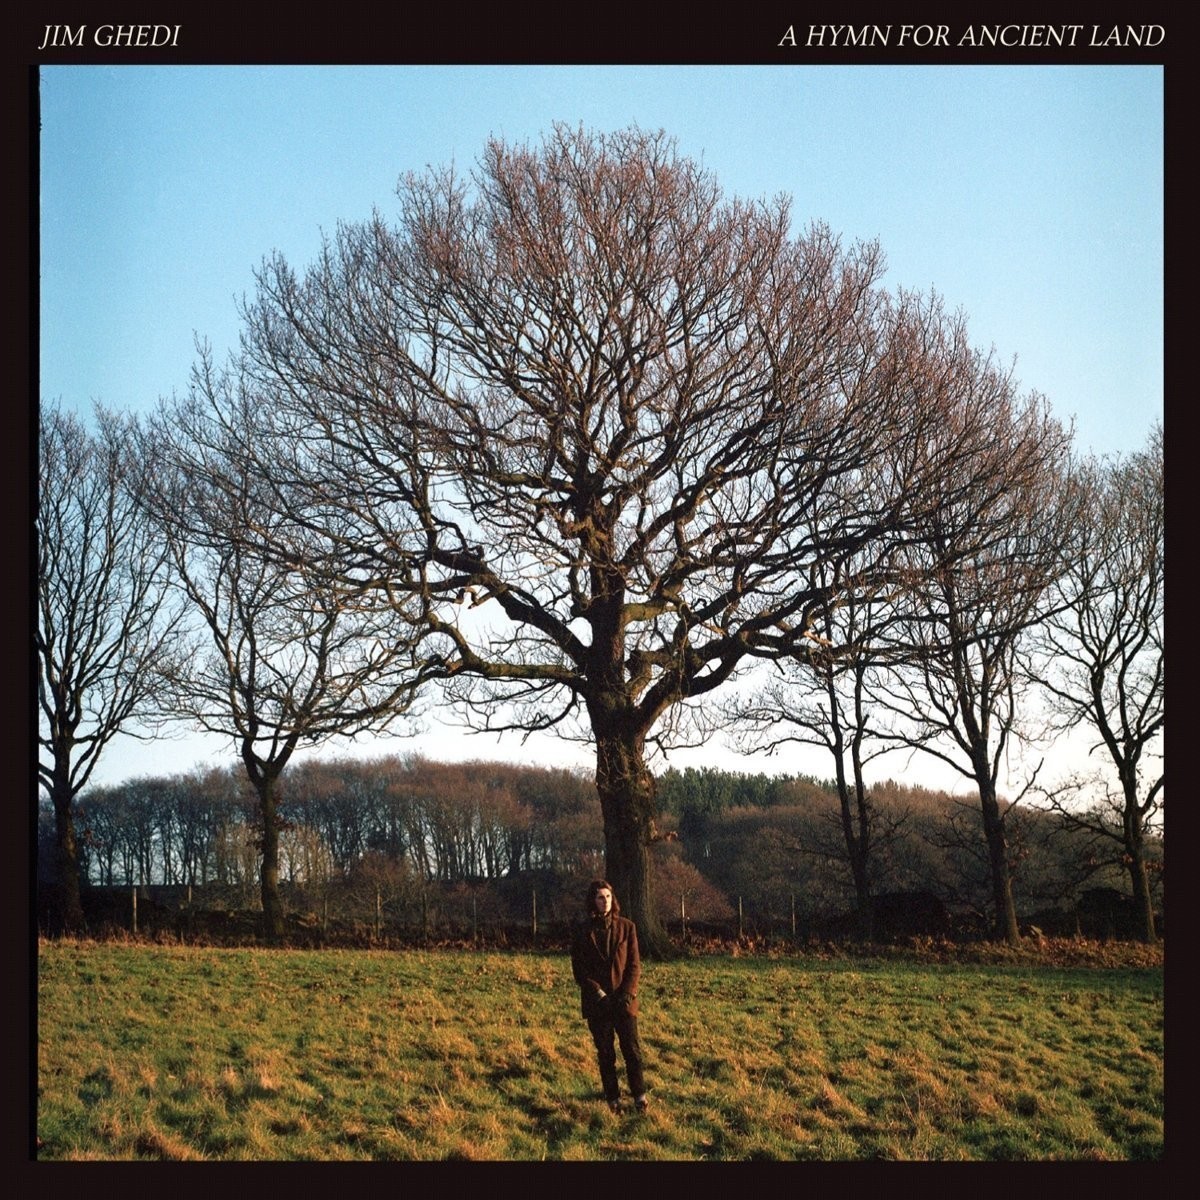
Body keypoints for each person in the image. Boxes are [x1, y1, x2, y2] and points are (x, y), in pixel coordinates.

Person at [570, 878, 649, 1114]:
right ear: (592, 902)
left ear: (612, 900)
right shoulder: (582, 931)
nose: (604, 901)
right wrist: (599, 994)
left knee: (632, 1051)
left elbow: (634, 965)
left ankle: (639, 1097)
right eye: (599, 897)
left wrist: (627, 993)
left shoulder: (627, 927)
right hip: (598, 1003)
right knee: (606, 1053)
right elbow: (579, 970)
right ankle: (613, 1100)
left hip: (624, 1000)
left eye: (607, 897)